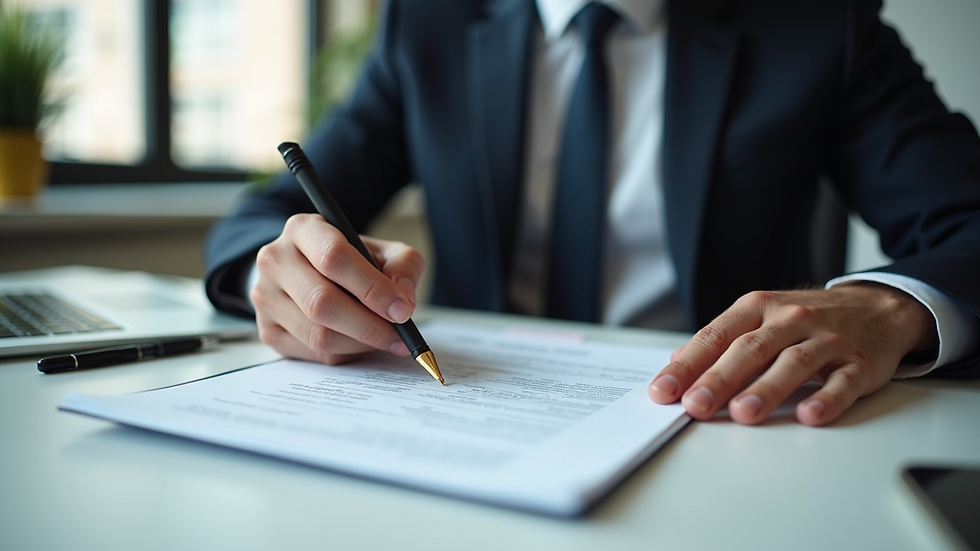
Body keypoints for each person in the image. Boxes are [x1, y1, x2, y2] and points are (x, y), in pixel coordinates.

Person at [205, 0, 980, 427]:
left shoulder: (819, 26)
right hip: (473, 416)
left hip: (726, 426)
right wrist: (278, 273)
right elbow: (270, 215)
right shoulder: (427, 24)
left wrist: (891, 307)